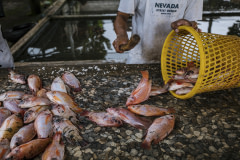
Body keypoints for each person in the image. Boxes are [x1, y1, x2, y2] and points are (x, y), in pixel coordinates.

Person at [113, 0, 203, 64]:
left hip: (173, 60)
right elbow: (122, 16)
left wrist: (187, 26)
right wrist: (121, 35)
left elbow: (192, 22)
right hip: (139, 59)